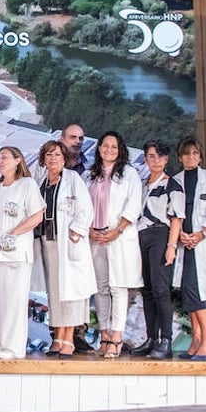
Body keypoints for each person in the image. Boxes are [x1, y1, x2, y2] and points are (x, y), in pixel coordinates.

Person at [35, 139, 97, 358]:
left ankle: (68, 339)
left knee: (70, 291)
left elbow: (85, 208)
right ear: (43, 158)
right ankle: (57, 338)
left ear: (65, 159)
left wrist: (76, 231)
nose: (53, 159)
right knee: (55, 293)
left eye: (58, 155)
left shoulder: (72, 179)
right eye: (49, 155)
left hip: (68, 242)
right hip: (47, 241)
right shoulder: (40, 180)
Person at [170, 138, 206, 360]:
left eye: (195, 153)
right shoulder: (175, 180)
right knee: (188, 291)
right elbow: (174, 212)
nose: (191, 157)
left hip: (203, 243)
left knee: (197, 290)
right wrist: (181, 236)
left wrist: (201, 234)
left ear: (201, 157)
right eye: (186, 154)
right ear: (180, 157)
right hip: (184, 243)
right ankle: (196, 338)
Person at [86, 131, 142, 360]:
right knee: (100, 290)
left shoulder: (129, 174)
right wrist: (89, 229)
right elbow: (80, 206)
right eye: (105, 146)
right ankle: (105, 335)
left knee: (118, 288)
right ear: (99, 148)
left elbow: (134, 206)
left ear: (120, 150)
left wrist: (116, 231)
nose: (109, 150)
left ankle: (117, 337)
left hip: (118, 237)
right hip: (95, 238)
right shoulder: (90, 174)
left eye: (114, 147)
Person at [0, 147, 44, 359]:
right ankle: (1, 343)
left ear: (18, 160)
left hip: (16, 252)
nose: (1, 161)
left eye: (6, 158)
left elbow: (37, 215)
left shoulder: (27, 185)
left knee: (13, 301)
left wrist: (13, 233)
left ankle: (14, 348)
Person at [132, 140, 184, 359]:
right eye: (151, 156)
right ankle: (151, 338)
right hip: (140, 236)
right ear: (145, 158)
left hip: (160, 235)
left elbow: (176, 218)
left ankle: (166, 340)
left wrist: (171, 246)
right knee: (147, 290)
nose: (156, 161)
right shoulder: (142, 184)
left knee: (161, 290)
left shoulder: (172, 185)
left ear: (166, 159)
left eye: (160, 157)